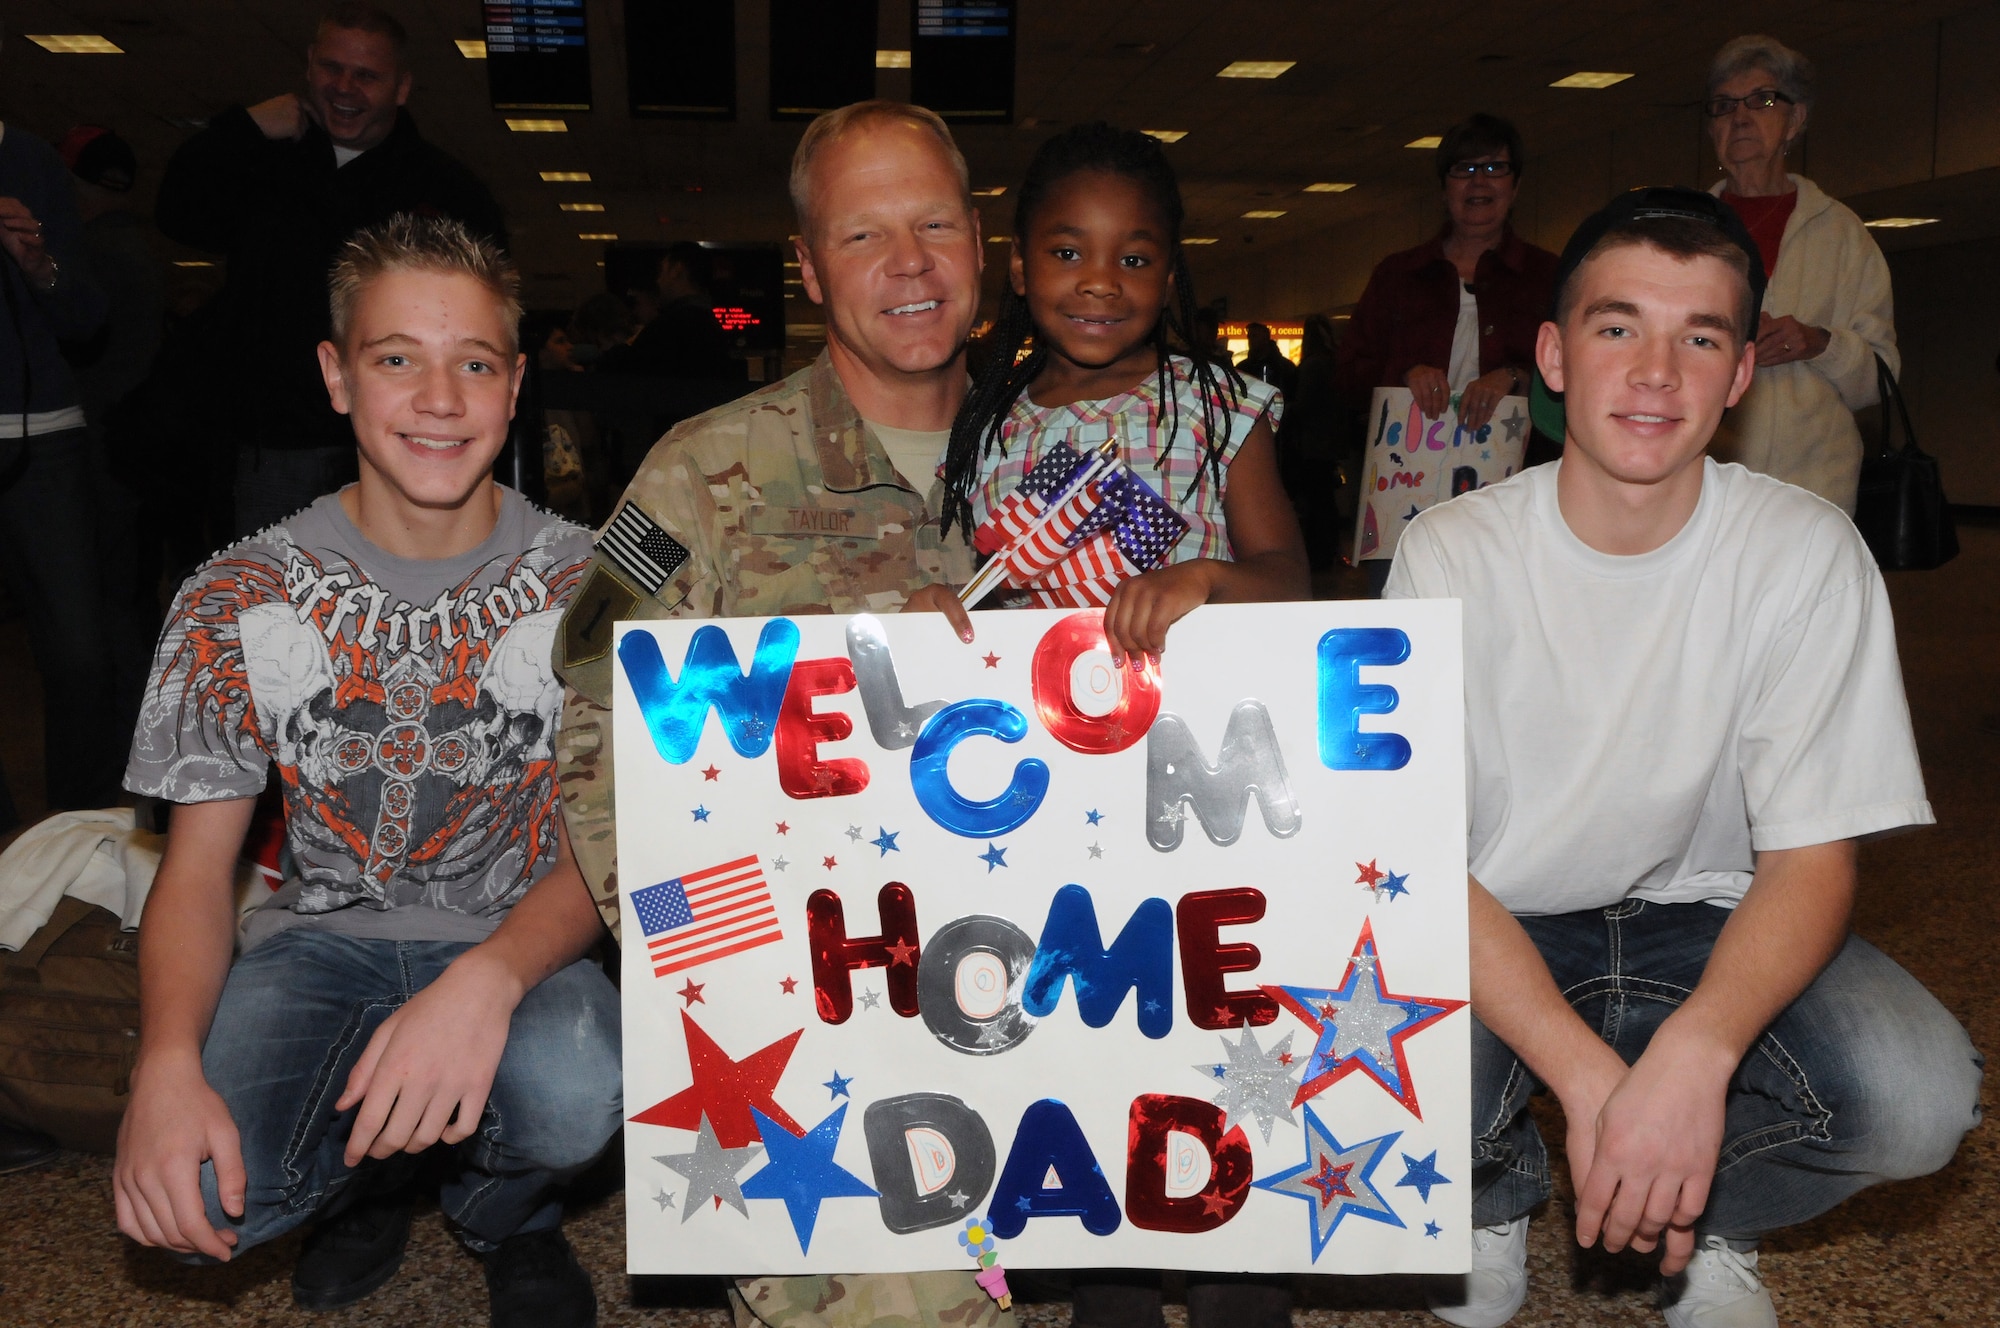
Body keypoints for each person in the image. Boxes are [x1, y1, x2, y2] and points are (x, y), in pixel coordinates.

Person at [1385, 186, 1981, 1328]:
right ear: (1554, 355)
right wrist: (1589, 1076)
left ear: (1740, 372)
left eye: (1697, 337)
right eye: (1617, 328)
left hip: (1708, 912)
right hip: (1498, 918)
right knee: (1358, 1065)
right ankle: (1496, 1189)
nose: (1654, 372)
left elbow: (1810, 859)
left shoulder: (1804, 551)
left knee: (1916, 1099)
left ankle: (1701, 1210)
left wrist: (1695, 1057)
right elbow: (1412, 855)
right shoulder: (1450, 549)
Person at [114, 215, 619, 1328]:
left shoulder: (594, 588)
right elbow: (195, 870)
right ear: (337, 376)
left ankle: (503, 1214)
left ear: (515, 381)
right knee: (190, 1202)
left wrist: (484, 981)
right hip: (317, 944)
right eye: (397, 358)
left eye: (474, 363)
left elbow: (616, 842)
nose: (440, 398)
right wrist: (162, 1064)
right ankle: (372, 1171)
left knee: (580, 1083)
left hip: (516, 941)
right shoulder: (233, 594)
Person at [553, 101, 1006, 1328]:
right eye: (864, 237)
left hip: (1046, 970)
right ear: (806, 270)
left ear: (980, 241)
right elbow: (594, 719)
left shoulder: (1065, 458)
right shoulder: (700, 472)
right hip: (800, 977)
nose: (909, 265)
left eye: (934, 226)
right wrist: (703, 953)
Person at [935, 121, 1309, 1328]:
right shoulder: (985, 423)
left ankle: (1233, 1251)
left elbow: (1292, 579)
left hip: (1204, 783)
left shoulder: (1214, 408)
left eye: (1134, 257)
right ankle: (1105, 1268)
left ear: (1172, 268)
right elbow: (979, 594)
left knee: (1205, 1002)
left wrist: (1202, 574)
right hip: (1052, 799)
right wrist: (942, 611)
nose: (1098, 281)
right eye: (1066, 251)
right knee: (1084, 1015)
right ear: (1016, 265)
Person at [156, 1, 506, 537]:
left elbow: (492, 319)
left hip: (401, 446)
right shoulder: (264, 164)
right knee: (275, 605)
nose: (344, 87)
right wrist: (243, 128)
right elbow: (177, 212)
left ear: (401, 87)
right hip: (275, 446)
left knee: (393, 603)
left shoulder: (445, 190)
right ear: (309, 65)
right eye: (332, 68)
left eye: (366, 76)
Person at [1337, 113, 1557, 591]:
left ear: (1516, 186)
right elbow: (1347, 375)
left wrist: (1518, 376)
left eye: (1495, 169)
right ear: (1443, 187)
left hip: (1516, 500)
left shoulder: (1548, 277)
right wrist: (1403, 372)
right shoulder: (1396, 276)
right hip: (1404, 502)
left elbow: (1580, 378)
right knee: (1407, 628)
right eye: (1464, 169)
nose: (1479, 182)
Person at [1703, 35, 1894, 513]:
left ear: (1796, 120)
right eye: (1724, 105)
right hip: (1702, 486)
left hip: (1814, 491)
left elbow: (1881, 380)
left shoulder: (1843, 234)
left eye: (1762, 100)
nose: (1740, 116)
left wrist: (1821, 343)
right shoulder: (1685, 230)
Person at [0, 116, 114, 812]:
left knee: (79, 654)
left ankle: (80, 826)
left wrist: (40, 267)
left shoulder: (30, 159)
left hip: (41, 437)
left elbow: (86, 315)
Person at [598, 241, 743, 380]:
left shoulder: (672, 325)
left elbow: (630, 367)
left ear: (676, 270)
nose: (659, 280)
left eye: (662, 271)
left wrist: (611, 349)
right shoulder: (711, 324)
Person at [1236, 321, 1297, 399]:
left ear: (1265, 338)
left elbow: (1292, 394)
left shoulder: (1285, 367)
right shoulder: (1242, 368)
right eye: (1249, 337)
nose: (1250, 340)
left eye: (1254, 336)